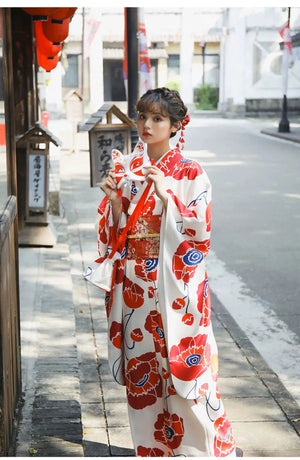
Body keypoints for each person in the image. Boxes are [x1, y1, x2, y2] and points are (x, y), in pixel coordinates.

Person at [98, 87, 239, 457]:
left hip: (175, 287)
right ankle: (152, 448)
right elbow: (119, 234)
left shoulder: (191, 172)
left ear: (176, 125)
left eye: (157, 118)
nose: (146, 124)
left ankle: (205, 450)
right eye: (142, 116)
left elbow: (201, 234)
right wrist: (115, 202)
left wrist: (168, 196)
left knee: (186, 374)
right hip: (137, 286)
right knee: (144, 371)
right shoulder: (128, 167)